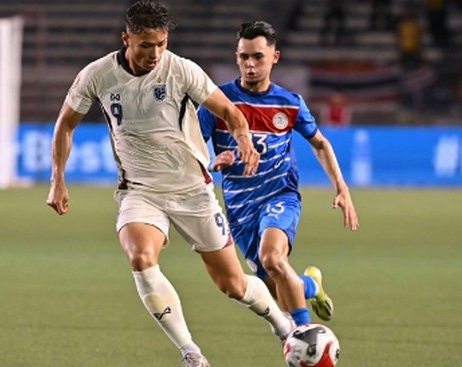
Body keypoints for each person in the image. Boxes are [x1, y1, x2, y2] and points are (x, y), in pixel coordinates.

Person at [45, 2, 293, 366]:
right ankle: (191, 353)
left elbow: (230, 111)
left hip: (193, 190)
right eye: (146, 45)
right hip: (140, 191)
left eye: (161, 43)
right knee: (141, 257)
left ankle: (283, 326)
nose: (155, 53)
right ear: (126, 38)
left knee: (234, 285)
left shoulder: (182, 70)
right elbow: (66, 124)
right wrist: (58, 180)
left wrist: (242, 138)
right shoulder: (97, 75)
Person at [197, 21, 359, 328]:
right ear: (236, 57)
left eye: (258, 56)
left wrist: (341, 187)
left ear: (275, 57)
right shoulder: (217, 102)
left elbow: (320, 143)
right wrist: (211, 161)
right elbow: (188, 149)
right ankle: (310, 286)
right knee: (275, 285)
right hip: (240, 209)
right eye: (244, 57)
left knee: (272, 258)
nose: (250, 64)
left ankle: (308, 336)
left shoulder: (290, 103)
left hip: (279, 197)